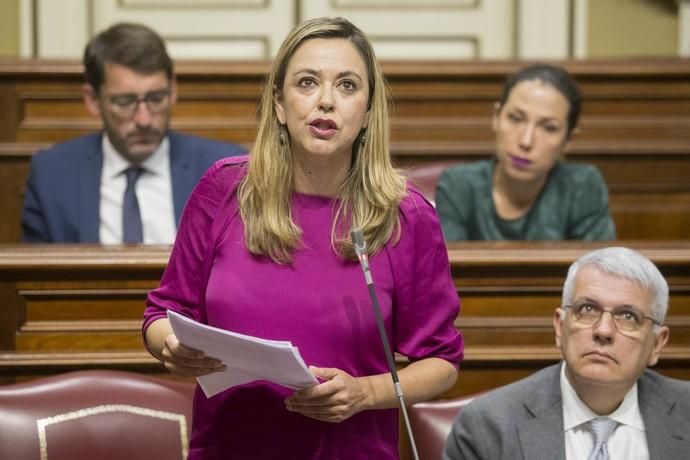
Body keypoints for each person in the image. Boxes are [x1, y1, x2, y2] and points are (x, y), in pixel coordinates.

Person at [142, 17, 463, 459]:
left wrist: (365, 393)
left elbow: (442, 363)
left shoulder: (406, 214)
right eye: (307, 82)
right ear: (279, 102)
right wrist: (172, 348)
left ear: (368, 110)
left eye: (347, 86)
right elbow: (163, 313)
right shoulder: (225, 190)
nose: (326, 102)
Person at [444, 246, 690, 460]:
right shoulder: (488, 426)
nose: (603, 331)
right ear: (560, 327)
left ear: (657, 343)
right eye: (588, 309)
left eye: (628, 317)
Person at [21, 22, 244, 244]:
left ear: (173, 90)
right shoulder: (51, 174)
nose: (144, 120)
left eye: (156, 98)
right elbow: (37, 277)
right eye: (125, 102)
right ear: (93, 100)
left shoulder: (224, 169)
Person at [435, 64, 616, 241]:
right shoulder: (458, 185)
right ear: (496, 117)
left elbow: (601, 267)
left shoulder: (582, 186)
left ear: (568, 139)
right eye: (515, 118)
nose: (525, 141)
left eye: (548, 127)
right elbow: (445, 267)